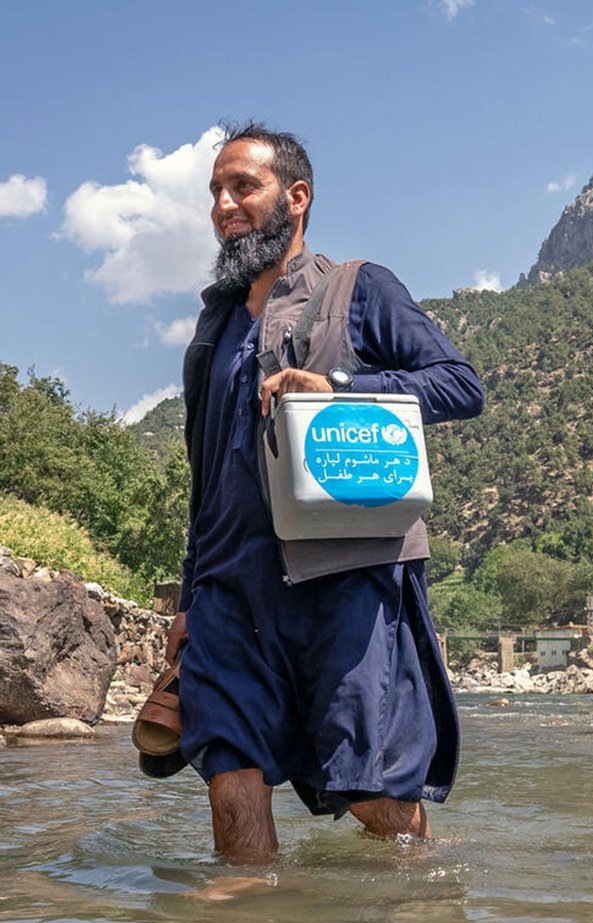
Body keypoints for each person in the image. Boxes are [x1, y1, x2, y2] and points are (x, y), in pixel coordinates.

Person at [167, 123, 484, 861]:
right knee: (230, 777)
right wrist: (188, 598)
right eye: (216, 191)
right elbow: (205, 479)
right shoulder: (212, 328)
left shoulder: (359, 287)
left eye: (243, 186)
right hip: (228, 593)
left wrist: (339, 386)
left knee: (373, 795)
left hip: (345, 584)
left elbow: (459, 385)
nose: (224, 205)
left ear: (296, 197)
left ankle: (428, 902)